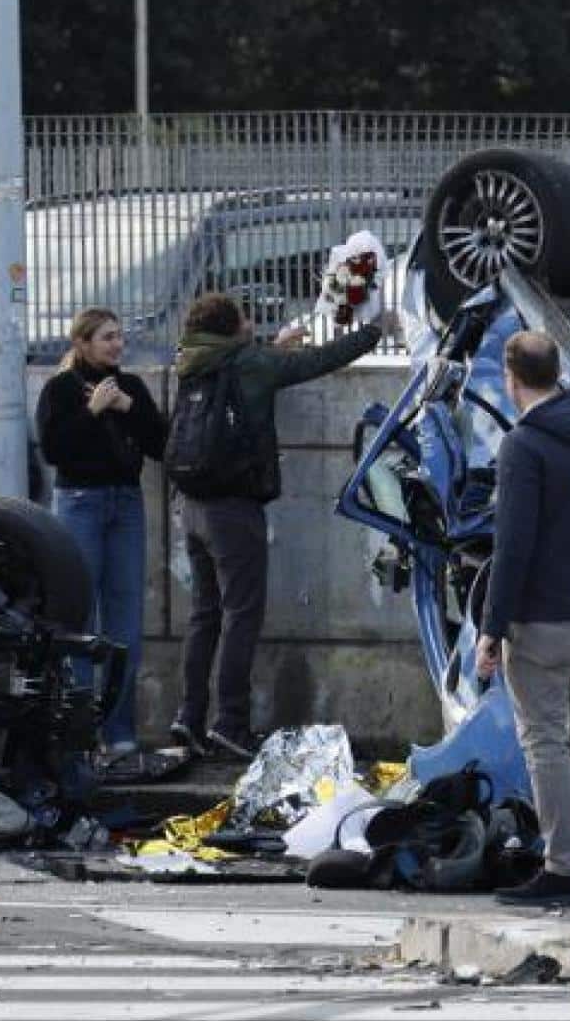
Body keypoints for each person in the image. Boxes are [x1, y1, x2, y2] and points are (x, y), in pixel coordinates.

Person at [167, 289, 397, 758]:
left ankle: (188, 717)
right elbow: (318, 361)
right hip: (234, 510)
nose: (250, 323)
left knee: (205, 615)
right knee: (241, 614)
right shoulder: (248, 364)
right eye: (244, 318)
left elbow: (252, 368)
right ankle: (230, 723)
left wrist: (274, 347)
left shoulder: (192, 362)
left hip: (191, 504)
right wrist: (375, 332)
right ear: (233, 327)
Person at [471, 331, 570, 909]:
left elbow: (512, 546)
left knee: (544, 741)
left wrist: (492, 628)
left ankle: (562, 868)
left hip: (541, 621)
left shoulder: (523, 446)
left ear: (512, 379)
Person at [39, 308, 177, 782]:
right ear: (82, 343)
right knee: (80, 619)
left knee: (125, 623)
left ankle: (120, 733)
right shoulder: (60, 389)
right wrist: (91, 412)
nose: (117, 345)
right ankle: (79, 736)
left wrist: (128, 408)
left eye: (119, 336)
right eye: (107, 338)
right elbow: (54, 450)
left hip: (125, 504)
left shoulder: (131, 386)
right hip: (79, 504)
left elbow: (163, 445)